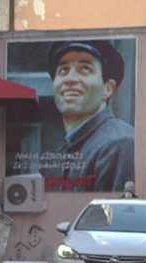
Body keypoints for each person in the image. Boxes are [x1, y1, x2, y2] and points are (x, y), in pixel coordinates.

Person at [44, 40, 135, 192]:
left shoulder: (118, 145)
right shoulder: (64, 149)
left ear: (108, 89)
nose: (70, 79)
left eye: (84, 69)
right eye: (63, 70)